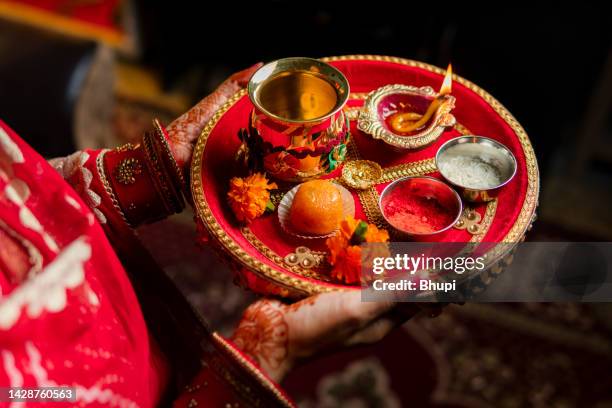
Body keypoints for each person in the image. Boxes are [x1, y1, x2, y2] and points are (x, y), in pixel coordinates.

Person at [0, 64, 425, 407]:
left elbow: (21, 199)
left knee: (460, 270)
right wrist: (268, 355)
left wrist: (150, 171)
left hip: (124, 311)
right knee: (440, 273)